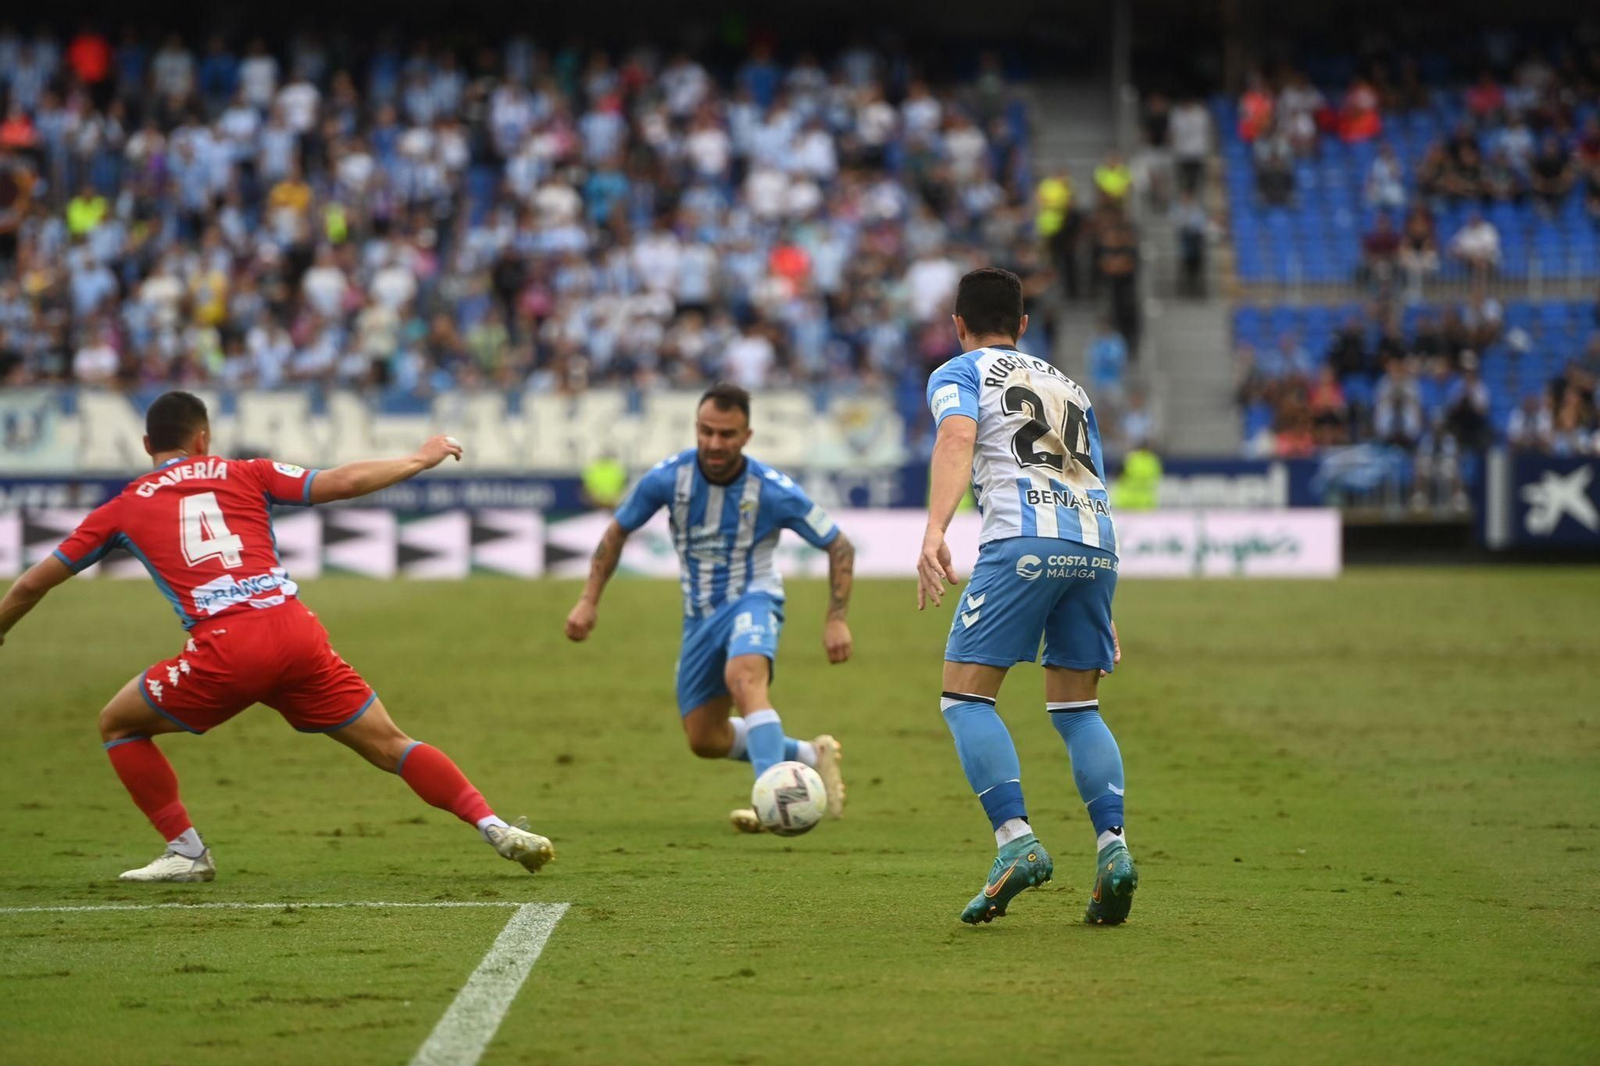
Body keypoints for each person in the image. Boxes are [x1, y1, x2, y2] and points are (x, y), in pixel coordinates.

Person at [0, 391, 553, 883]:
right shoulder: (246, 472)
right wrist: (420, 455)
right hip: (295, 633)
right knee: (391, 743)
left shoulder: (122, 508)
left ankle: (186, 851)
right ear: (203, 438)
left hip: (227, 647)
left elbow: (30, 584)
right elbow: (343, 481)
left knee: (118, 723)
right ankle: (494, 825)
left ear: (147, 443)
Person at [916, 267, 1135, 927]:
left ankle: (1017, 843)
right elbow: (1079, 475)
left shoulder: (959, 372)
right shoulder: (1067, 384)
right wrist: (1101, 597)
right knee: (1077, 709)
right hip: (1094, 548)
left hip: (1022, 544)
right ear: (1024, 327)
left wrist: (934, 529)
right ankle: (1114, 851)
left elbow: (957, 437)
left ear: (958, 325)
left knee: (965, 698)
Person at [563, 383, 854, 831]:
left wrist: (836, 619)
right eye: (707, 432)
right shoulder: (668, 478)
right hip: (699, 616)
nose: (715, 444)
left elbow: (839, 545)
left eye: (727, 434)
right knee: (704, 738)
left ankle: (771, 801)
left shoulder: (773, 490)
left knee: (744, 680)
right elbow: (616, 532)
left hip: (752, 598)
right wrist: (588, 600)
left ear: (747, 436)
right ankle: (808, 755)